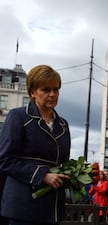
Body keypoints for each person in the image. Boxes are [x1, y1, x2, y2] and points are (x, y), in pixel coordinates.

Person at [0, 65, 71, 225]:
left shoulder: (63, 125)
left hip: (52, 208)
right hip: (23, 207)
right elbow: (4, 160)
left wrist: (72, 179)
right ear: (32, 92)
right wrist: (42, 175)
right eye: (46, 90)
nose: (52, 94)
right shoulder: (18, 117)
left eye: (56, 89)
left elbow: (64, 163)